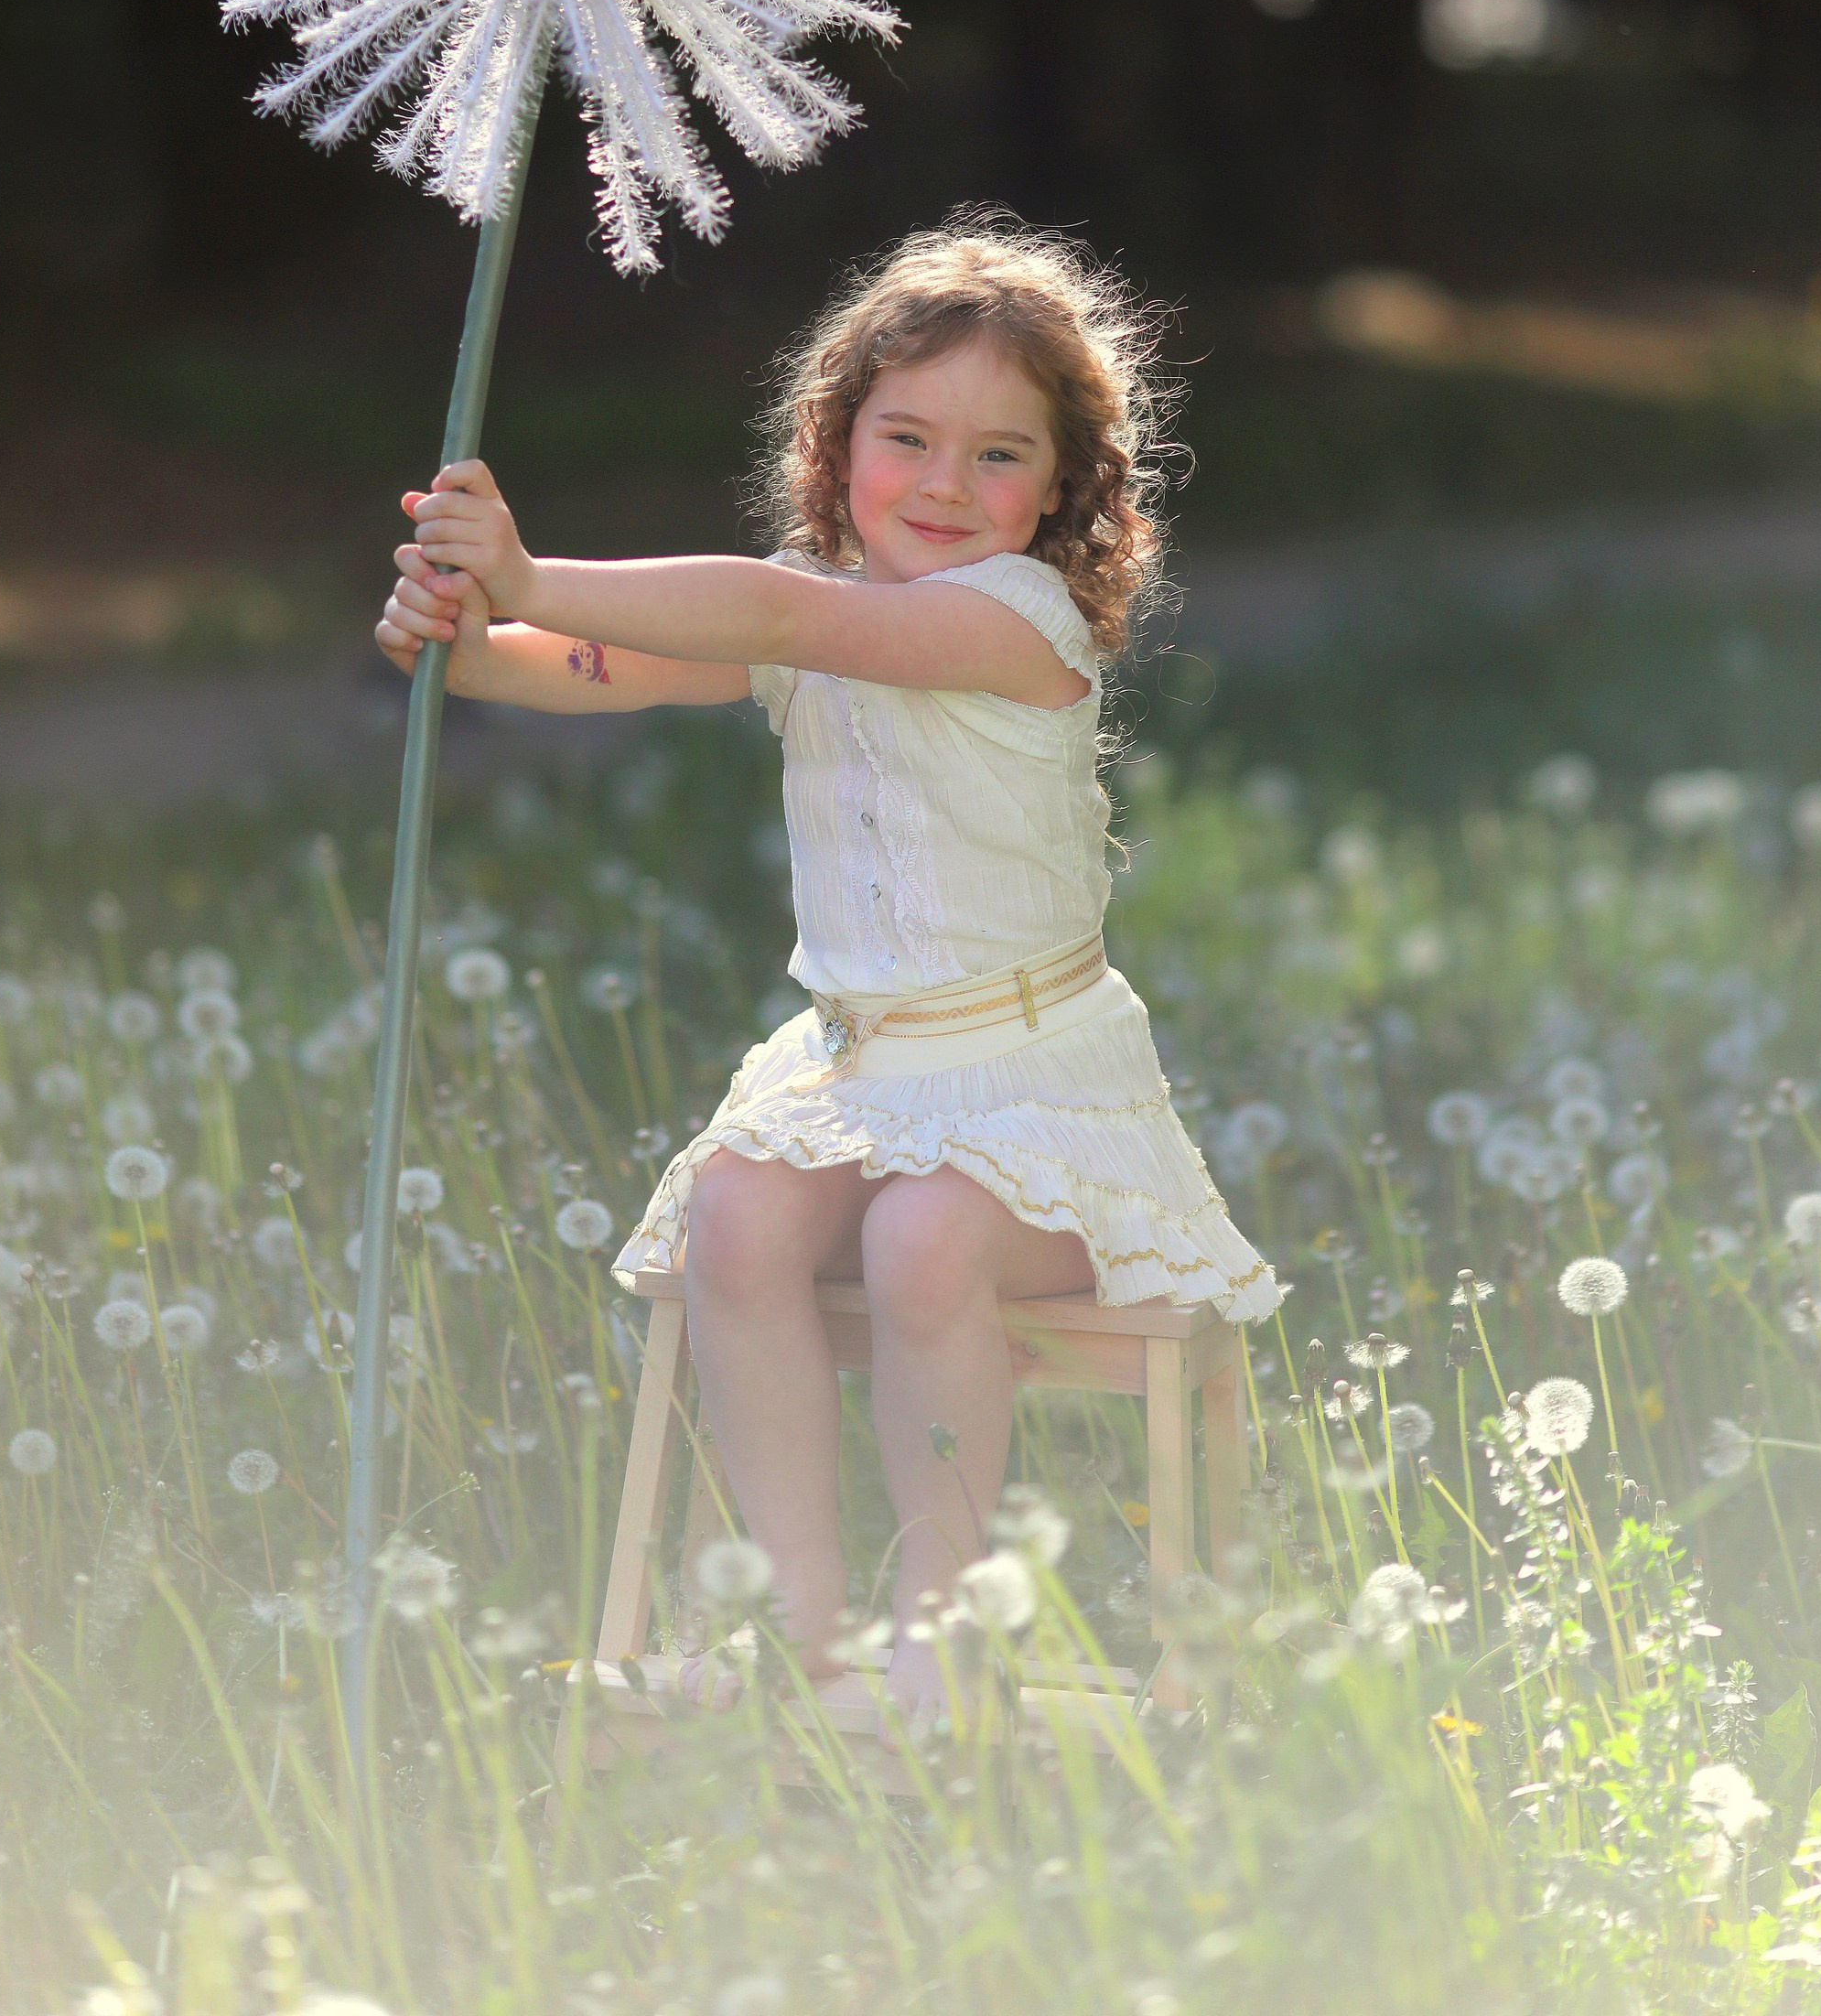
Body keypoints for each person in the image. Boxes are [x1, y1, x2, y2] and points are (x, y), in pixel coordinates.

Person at [375, 213, 1280, 1735]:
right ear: (838, 440)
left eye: (999, 456)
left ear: (1064, 487)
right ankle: (787, 1635)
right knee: (735, 1220)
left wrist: (527, 570)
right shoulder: (821, 606)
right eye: (905, 438)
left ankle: (941, 1642)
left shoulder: (1014, 618)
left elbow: (784, 614)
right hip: (864, 1072)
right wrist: (462, 638)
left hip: (1031, 1085)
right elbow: (601, 666)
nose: (944, 485)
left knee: (926, 1243)